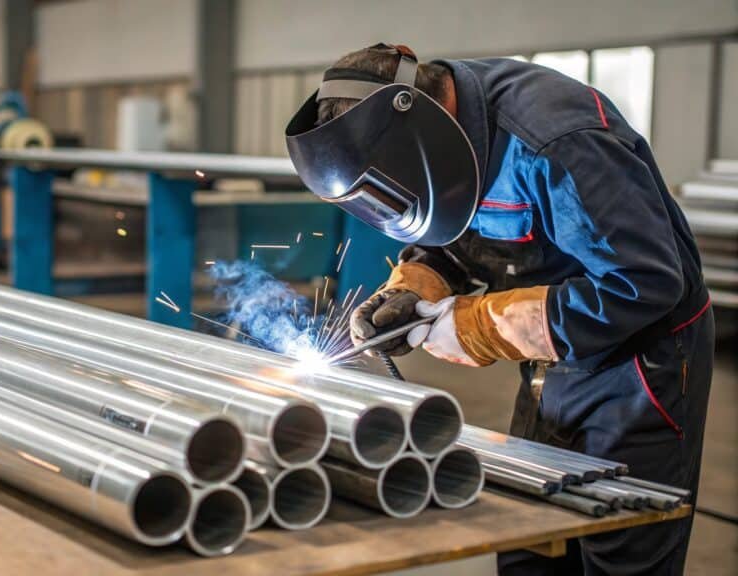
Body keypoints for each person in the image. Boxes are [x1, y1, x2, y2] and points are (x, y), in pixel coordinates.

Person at [286, 43, 713, 575]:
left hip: (638, 366)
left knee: (619, 546)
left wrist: (481, 326)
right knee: (526, 540)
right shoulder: (443, 143)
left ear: (419, 124)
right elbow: (453, 233)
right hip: (549, 362)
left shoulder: (559, 140)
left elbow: (645, 283)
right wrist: (414, 286)